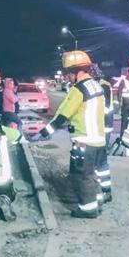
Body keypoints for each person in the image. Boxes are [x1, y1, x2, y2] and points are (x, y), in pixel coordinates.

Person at [34, 51, 106, 218]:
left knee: (82, 175)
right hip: (99, 140)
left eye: (69, 73)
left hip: (84, 140)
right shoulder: (96, 86)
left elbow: (63, 115)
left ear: (77, 71)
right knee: (91, 173)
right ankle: (97, 201)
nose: (67, 76)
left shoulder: (78, 89)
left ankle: (88, 209)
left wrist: (44, 133)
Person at [91, 64, 113, 203]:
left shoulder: (102, 86)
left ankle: (102, 191)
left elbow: (104, 108)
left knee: (99, 160)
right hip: (102, 126)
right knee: (100, 160)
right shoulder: (102, 85)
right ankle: (104, 190)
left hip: (102, 127)